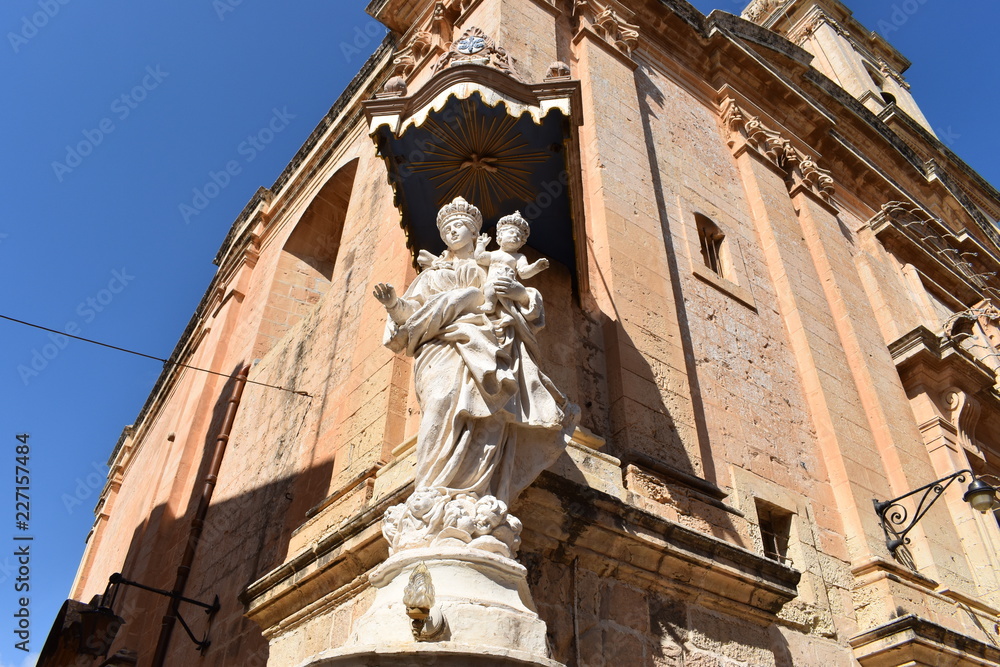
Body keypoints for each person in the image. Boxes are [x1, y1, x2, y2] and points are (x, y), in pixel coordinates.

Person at [373, 196, 577, 507]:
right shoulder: (431, 274)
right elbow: (409, 316)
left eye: (460, 227)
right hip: (440, 346)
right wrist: (392, 304)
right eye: (448, 229)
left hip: (489, 343)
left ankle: (478, 489)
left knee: (492, 411)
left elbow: (526, 304)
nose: (453, 232)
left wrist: (521, 293)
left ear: (474, 233)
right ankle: (430, 486)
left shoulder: (492, 264)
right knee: (440, 401)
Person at [474, 211, 550, 314]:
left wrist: (536, 267)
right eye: (511, 232)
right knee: (489, 287)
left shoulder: (519, 257)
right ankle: (490, 304)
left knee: (507, 307)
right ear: (500, 236)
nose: (515, 236)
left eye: (518, 236)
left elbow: (523, 273)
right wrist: (480, 245)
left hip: (509, 285)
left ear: (521, 244)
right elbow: (479, 257)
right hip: (493, 281)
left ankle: (506, 315)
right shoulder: (494, 254)